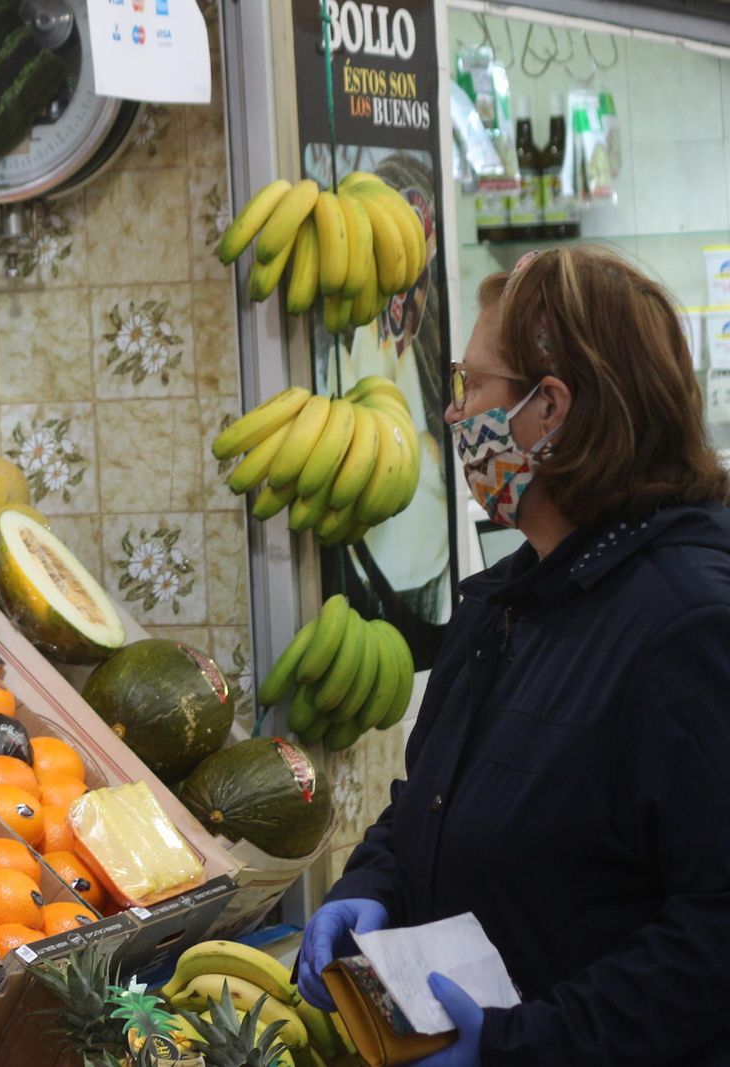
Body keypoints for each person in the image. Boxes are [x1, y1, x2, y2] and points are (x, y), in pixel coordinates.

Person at [295, 246, 730, 1065]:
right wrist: (372, 889)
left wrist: (523, 1046)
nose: (454, 417)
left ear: (549, 410)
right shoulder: (508, 601)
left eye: (470, 388)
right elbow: (429, 802)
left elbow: (716, 931)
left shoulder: (690, 627)